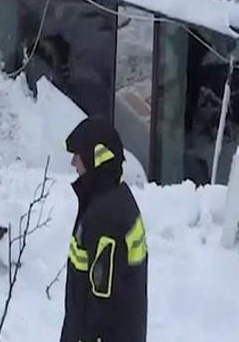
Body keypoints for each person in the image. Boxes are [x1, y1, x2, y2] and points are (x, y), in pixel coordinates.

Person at [60, 118, 148, 342]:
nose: (73, 163)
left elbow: (100, 303)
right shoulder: (113, 200)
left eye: (77, 155)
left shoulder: (106, 216)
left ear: (95, 157)